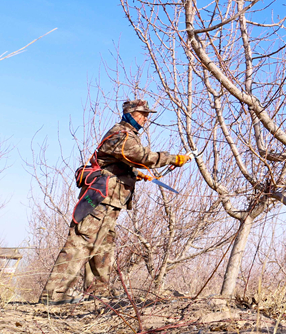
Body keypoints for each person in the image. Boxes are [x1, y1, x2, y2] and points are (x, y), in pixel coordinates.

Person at [40, 99, 190, 304]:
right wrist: (174, 158)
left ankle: (98, 293)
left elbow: (120, 161)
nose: (145, 119)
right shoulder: (121, 134)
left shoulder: (128, 136)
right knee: (81, 241)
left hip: (111, 201)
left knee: (103, 246)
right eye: (142, 114)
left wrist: (132, 173)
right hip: (99, 198)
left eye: (147, 115)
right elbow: (141, 156)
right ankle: (54, 295)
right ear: (129, 114)